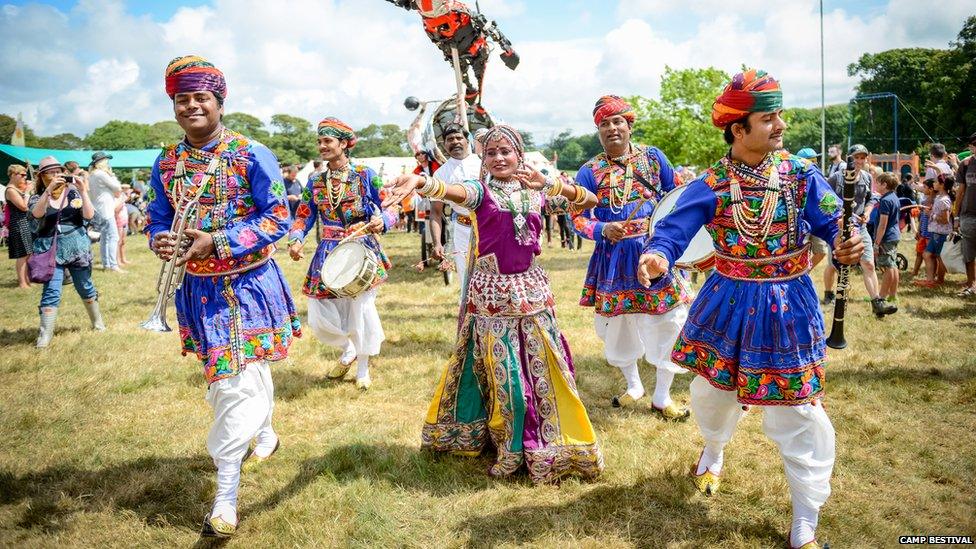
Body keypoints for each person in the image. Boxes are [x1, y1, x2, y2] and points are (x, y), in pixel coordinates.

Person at [637, 69, 864, 549]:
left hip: (789, 304)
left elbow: (834, 222)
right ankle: (714, 449)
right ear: (738, 130)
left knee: (799, 408)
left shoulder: (802, 175)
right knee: (712, 394)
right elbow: (675, 230)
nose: (780, 125)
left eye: (779, 114)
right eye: (768, 118)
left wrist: (850, 241)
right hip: (728, 299)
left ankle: (805, 517)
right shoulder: (712, 184)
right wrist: (658, 254)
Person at [383, 124, 604, 484]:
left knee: (545, 374)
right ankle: (509, 447)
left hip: (533, 298)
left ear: (519, 155)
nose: (499, 158)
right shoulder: (480, 192)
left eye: (506, 151)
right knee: (509, 383)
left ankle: (545, 444)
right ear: (483, 160)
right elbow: (451, 190)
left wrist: (548, 184)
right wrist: (422, 184)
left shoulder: (537, 193)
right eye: (491, 153)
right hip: (493, 300)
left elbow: (589, 200)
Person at [145, 55, 302, 538]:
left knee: (237, 382)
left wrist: (218, 240)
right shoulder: (166, 162)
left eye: (201, 98)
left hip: (250, 284)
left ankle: (225, 498)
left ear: (219, 102)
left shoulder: (253, 153)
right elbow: (156, 216)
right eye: (182, 99)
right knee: (225, 382)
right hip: (197, 290)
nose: (191, 106)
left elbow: (278, 216)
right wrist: (160, 239)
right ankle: (265, 430)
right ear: (173, 105)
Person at [572, 95, 692, 419]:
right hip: (613, 258)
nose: (611, 128)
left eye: (617, 122)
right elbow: (578, 217)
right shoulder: (589, 171)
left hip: (655, 253)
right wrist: (601, 229)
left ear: (629, 125)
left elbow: (677, 199)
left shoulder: (653, 159)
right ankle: (634, 386)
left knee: (668, 320)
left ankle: (662, 396)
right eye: (604, 124)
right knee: (619, 326)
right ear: (598, 130)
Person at [288, 117, 397, 391]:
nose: (322, 146)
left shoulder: (365, 174)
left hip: (361, 248)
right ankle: (347, 348)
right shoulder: (314, 181)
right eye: (319, 141)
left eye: (328, 141)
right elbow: (304, 216)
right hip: (327, 250)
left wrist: (383, 220)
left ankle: (362, 369)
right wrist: (296, 238)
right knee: (318, 311)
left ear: (344, 144)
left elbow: (392, 205)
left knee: (360, 310)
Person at [28, 156, 104, 347]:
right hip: (50, 249)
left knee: (85, 286)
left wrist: (83, 191)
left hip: (77, 246)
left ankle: (98, 323)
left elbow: (89, 215)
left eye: (58, 171)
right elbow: (36, 214)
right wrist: (48, 190)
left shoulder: (73, 193)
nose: (56, 175)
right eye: (51, 172)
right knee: (52, 291)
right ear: (42, 176)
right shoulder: (38, 196)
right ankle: (44, 337)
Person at [821, 144, 895, 317]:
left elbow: (871, 198)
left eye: (863, 157)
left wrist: (868, 212)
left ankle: (877, 303)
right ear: (849, 158)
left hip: (860, 227)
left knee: (868, 263)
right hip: (839, 227)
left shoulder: (867, 177)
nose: (860, 161)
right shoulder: (836, 178)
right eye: (856, 157)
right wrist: (837, 216)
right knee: (834, 266)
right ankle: (829, 293)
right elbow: (824, 199)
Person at [430, 123, 481, 286]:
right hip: (462, 229)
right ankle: (467, 310)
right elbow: (436, 212)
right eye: (450, 139)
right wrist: (437, 243)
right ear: (444, 145)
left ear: (468, 141)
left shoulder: (484, 163)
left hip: (490, 226)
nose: (455, 142)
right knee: (466, 275)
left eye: (459, 137)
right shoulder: (440, 173)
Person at [915, 174, 955, 288]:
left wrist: (931, 215)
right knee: (927, 254)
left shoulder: (944, 200)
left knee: (938, 257)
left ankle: (938, 280)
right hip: (936, 232)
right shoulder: (939, 198)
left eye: (936, 182)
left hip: (941, 233)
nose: (934, 183)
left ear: (942, 185)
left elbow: (945, 220)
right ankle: (931, 280)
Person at [88, 151, 125, 273]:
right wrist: (112, 175)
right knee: (113, 237)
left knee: (105, 238)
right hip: (106, 210)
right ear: (102, 162)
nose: (108, 162)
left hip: (99, 210)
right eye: (106, 160)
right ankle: (113, 265)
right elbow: (117, 187)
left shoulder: (92, 174)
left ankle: (107, 264)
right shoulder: (101, 174)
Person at [954, 132, 976, 296]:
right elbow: (960, 192)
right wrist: (956, 216)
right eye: (974, 144)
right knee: (968, 251)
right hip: (968, 215)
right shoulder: (965, 164)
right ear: (970, 146)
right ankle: (971, 284)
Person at [873, 173, 901, 302]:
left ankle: (882, 297)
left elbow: (882, 225)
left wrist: (877, 243)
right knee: (893, 265)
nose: (876, 184)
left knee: (887, 267)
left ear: (884, 185)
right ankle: (893, 295)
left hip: (887, 237)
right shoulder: (894, 197)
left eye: (878, 182)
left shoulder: (885, 200)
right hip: (894, 235)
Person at [5, 164, 33, 288]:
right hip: (18, 223)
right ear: (12, 175)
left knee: (27, 253)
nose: (24, 177)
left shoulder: (15, 189)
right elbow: (23, 207)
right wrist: (26, 193)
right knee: (22, 254)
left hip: (23, 222)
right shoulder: (10, 190)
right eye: (22, 174)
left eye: (25, 175)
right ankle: (22, 282)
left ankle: (27, 280)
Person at [115, 184, 131, 266]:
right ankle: (118, 260)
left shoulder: (121, 198)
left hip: (124, 221)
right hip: (119, 222)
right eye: (125, 189)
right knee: (118, 242)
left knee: (123, 242)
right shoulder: (116, 199)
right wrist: (123, 200)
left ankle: (123, 258)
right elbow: (116, 210)